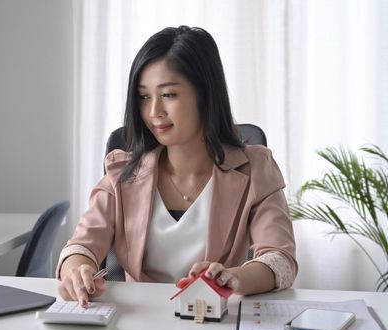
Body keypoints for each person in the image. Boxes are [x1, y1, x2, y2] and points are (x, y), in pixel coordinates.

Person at [56, 25, 297, 306]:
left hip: (214, 323)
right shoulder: (122, 173)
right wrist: (77, 270)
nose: (154, 111)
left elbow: (280, 260)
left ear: (205, 94)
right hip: (139, 323)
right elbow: (82, 244)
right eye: (144, 97)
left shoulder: (255, 168)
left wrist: (233, 278)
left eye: (168, 95)